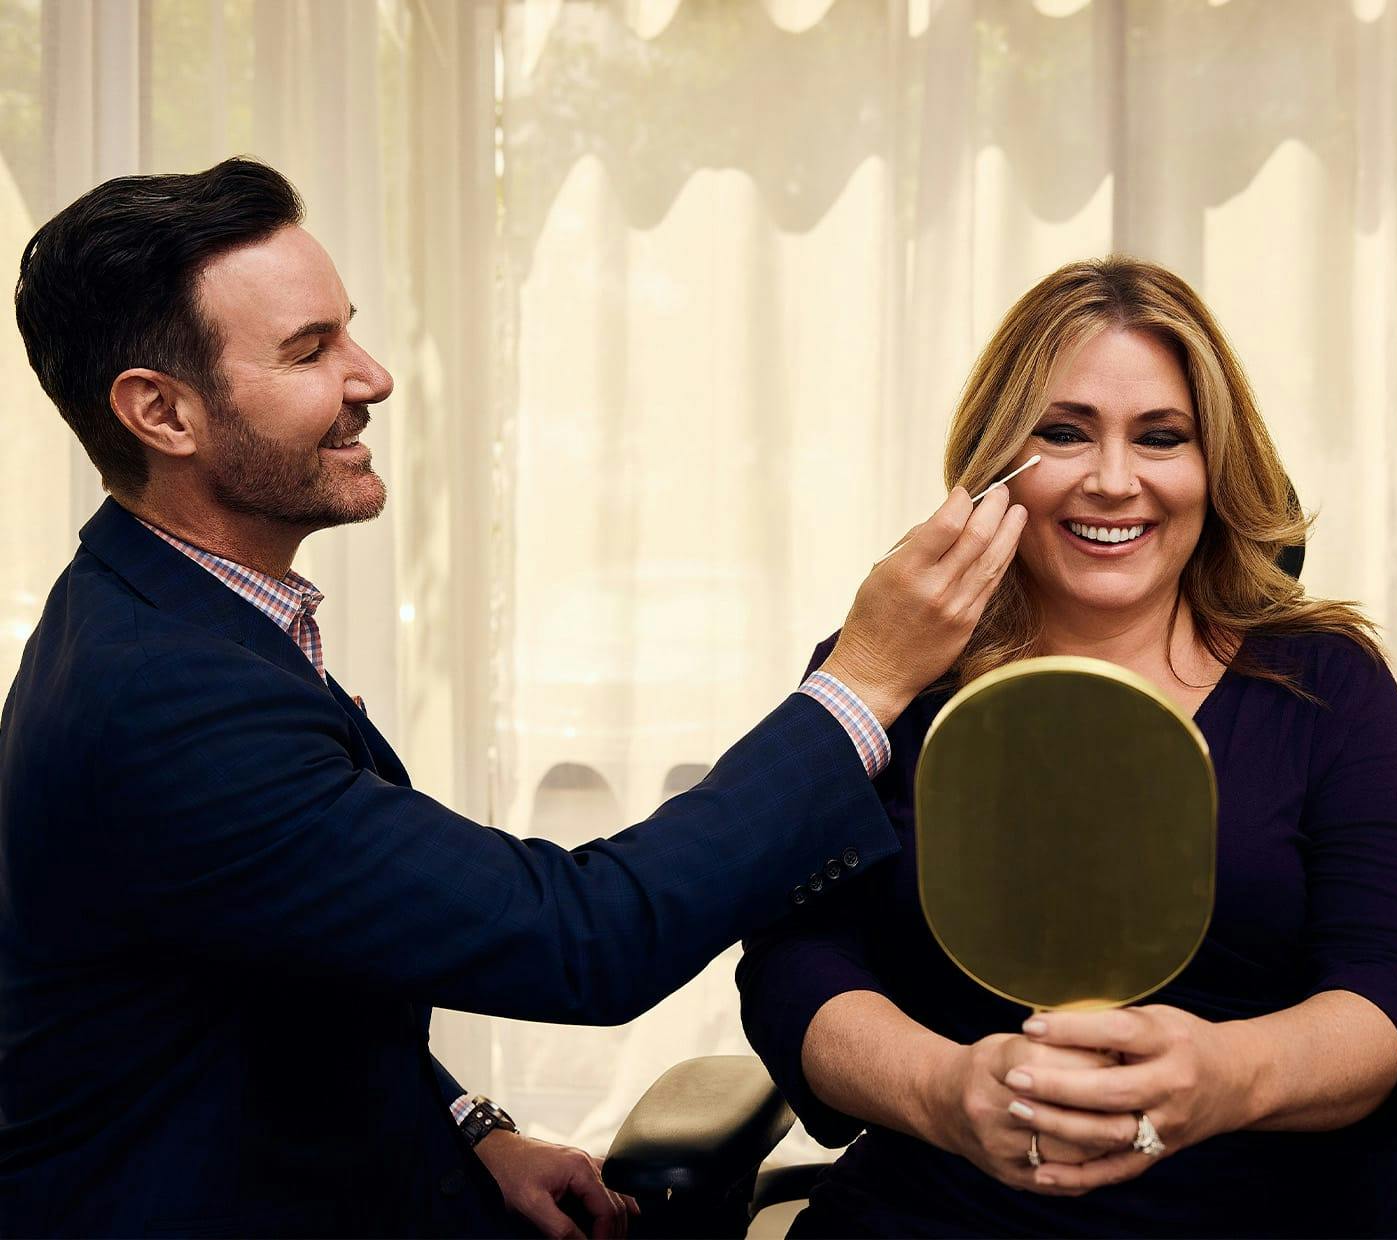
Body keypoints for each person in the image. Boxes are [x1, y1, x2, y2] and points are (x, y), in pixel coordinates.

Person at [0, 159, 1029, 1238]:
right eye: (311, 351)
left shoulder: (155, 608)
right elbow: (583, 935)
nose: (374, 375)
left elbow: (297, 952)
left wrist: (470, 1123)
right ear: (161, 411)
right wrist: (864, 680)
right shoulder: (168, 699)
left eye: (349, 329)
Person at [738, 256, 1397, 1237]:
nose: (1114, 480)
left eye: (1162, 437)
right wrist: (949, 1089)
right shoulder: (890, 672)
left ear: (1215, 464)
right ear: (998, 458)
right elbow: (793, 961)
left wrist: (1233, 1076)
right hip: (943, 1208)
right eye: (1064, 432)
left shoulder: (1325, 683)